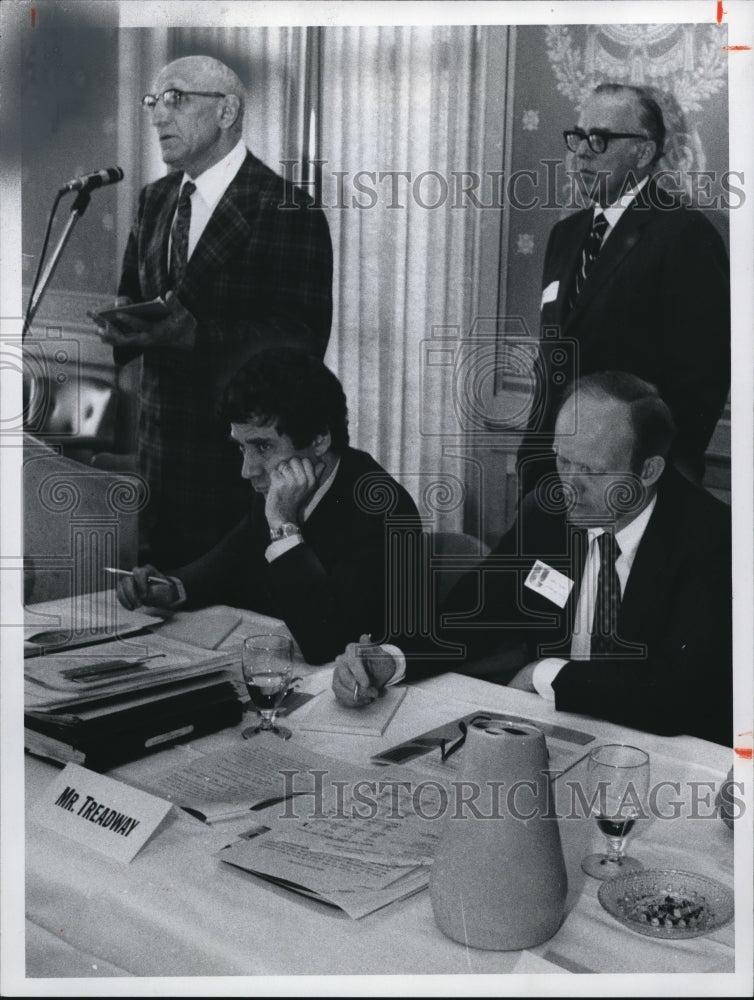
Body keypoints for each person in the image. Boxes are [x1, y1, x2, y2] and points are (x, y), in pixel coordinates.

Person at [334, 371, 732, 746]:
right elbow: (472, 615)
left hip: (668, 751)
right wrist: (389, 659)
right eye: (562, 460)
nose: (567, 487)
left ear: (648, 470)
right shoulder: (547, 512)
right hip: (558, 730)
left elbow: (675, 695)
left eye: (590, 471)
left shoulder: (712, 538)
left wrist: (547, 674)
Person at [97, 55, 333, 567]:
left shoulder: (286, 208)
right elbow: (133, 291)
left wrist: (195, 336)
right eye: (153, 102)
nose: (159, 116)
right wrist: (123, 321)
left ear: (227, 111)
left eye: (175, 99)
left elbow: (302, 343)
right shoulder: (153, 199)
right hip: (160, 464)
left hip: (238, 470)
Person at [117, 348, 422, 666]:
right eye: (242, 447)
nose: (247, 470)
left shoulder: (382, 509)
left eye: (263, 446)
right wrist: (170, 588)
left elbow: (326, 644)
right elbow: (230, 559)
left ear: (319, 438)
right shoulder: (282, 484)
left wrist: (283, 526)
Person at [517, 82, 730, 495]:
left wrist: (654, 483)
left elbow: (701, 384)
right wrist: (533, 457)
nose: (580, 151)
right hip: (550, 476)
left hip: (627, 486)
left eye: (600, 139)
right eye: (578, 137)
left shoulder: (685, 234)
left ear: (644, 152)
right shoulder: (566, 234)